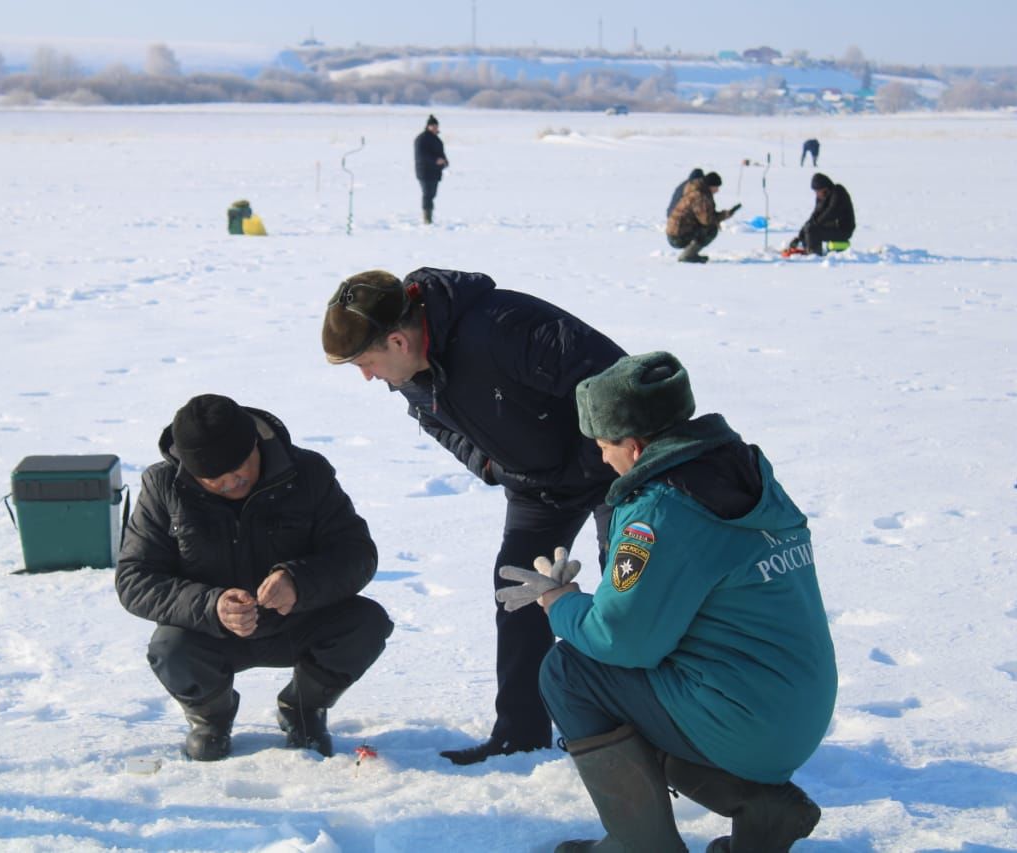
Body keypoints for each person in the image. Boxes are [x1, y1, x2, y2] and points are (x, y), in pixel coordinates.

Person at [500, 351, 835, 852]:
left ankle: (643, 846)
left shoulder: (661, 509)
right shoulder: (744, 471)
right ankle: (763, 805)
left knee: (570, 671)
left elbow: (621, 638)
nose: (602, 458)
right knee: (650, 688)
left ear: (634, 447)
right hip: (797, 710)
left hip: (745, 723)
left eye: (603, 445)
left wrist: (560, 602)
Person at [321, 268, 627, 765]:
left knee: (629, 593)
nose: (368, 376)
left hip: (613, 467)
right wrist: (489, 463)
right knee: (518, 593)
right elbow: (435, 420)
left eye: (366, 363)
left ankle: (638, 731)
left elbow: (615, 383)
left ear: (397, 340)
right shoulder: (407, 366)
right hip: (536, 485)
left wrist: (590, 461)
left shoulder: (504, 327)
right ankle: (520, 736)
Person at [115, 394, 393, 761]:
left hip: (298, 622)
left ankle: (304, 707)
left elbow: (357, 553)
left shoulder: (307, 472)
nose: (230, 483)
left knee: (367, 624)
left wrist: (299, 582)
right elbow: (135, 579)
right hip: (212, 633)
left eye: (239, 469)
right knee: (170, 649)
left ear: (255, 445)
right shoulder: (163, 486)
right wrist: (211, 605)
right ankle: (211, 717)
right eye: (214, 479)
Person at [665, 172, 740, 263]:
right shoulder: (700, 196)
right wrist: (724, 215)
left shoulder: (694, 190)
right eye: (716, 187)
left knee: (707, 228)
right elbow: (707, 220)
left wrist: (722, 215)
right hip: (678, 236)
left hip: (674, 232)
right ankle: (688, 255)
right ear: (710, 186)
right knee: (711, 230)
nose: (717, 190)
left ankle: (690, 253)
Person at [789, 172, 855, 255]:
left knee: (812, 229)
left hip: (844, 230)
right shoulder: (823, 198)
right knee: (809, 228)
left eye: (818, 191)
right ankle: (807, 249)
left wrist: (814, 224)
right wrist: (800, 236)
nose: (817, 193)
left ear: (825, 188)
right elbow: (814, 215)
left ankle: (813, 255)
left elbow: (831, 212)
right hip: (833, 226)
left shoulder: (838, 192)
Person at [414, 114, 449, 224]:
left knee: (432, 194)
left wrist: (444, 162)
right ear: (428, 126)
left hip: (435, 172)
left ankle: (430, 216)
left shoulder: (437, 140)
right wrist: (435, 160)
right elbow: (422, 155)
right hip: (424, 171)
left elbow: (441, 153)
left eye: (436, 126)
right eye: (432, 126)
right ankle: (427, 218)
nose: (434, 128)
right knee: (427, 194)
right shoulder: (422, 139)